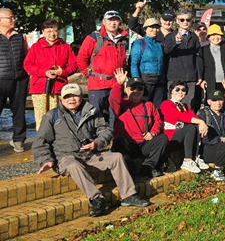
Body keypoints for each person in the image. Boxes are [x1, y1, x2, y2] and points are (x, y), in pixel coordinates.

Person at [32, 83, 150, 217]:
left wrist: (97, 142)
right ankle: (96, 199)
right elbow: (40, 142)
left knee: (116, 157)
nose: (71, 99)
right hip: (65, 158)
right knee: (73, 165)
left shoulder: (91, 111)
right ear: (61, 99)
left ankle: (129, 195)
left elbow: (105, 130)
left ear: (81, 96)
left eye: (75, 96)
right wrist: (46, 160)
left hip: (89, 155)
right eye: (67, 97)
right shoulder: (51, 116)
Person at [108, 70, 168, 178]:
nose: (136, 91)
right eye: (133, 88)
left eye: (140, 88)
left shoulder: (149, 105)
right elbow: (113, 100)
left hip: (143, 144)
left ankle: (148, 167)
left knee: (162, 138)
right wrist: (119, 84)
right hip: (127, 145)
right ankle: (130, 170)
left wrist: (153, 133)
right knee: (119, 142)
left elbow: (158, 121)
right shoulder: (121, 104)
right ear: (126, 90)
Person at [24, 18, 77, 132]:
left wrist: (62, 72)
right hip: (39, 87)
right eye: (48, 31)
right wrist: (43, 72)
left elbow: (74, 64)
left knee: (57, 117)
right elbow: (27, 64)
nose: (52, 34)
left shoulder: (65, 46)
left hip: (59, 86)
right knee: (41, 117)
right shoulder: (36, 47)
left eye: (55, 31)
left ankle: (57, 139)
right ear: (43, 32)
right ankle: (41, 139)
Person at [76, 10, 129, 119]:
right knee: (95, 116)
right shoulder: (93, 38)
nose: (113, 23)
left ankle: (113, 131)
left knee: (116, 115)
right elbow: (81, 58)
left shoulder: (123, 40)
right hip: (98, 85)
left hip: (116, 83)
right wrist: (89, 73)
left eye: (116, 20)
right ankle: (95, 131)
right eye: (110, 20)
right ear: (104, 22)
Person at [160, 82, 210, 174]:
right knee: (191, 127)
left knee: (196, 126)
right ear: (171, 91)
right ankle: (187, 160)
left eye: (183, 90)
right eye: (177, 89)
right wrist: (200, 122)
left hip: (183, 137)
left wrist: (201, 124)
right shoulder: (166, 103)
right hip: (171, 138)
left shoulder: (185, 106)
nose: (180, 92)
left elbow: (193, 117)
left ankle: (196, 157)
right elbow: (178, 116)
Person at [197, 88, 225, 181]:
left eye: (220, 100)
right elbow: (204, 138)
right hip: (209, 149)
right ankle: (217, 169)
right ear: (209, 102)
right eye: (214, 100)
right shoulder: (203, 114)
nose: (218, 103)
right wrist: (221, 139)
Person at [163, 11, 203, 111]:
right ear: (177, 21)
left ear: (191, 22)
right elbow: (167, 51)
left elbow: (198, 57)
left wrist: (199, 75)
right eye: (182, 20)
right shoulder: (170, 36)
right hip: (174, 76)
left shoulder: (194, 37)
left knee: (188, 106)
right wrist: (176, 42)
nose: (185, 22)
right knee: (173, 106)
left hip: (190, 77)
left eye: (188, 20)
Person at [1, 8, 28, 152]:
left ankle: (18, 140)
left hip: (19, 79)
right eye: (10, 18)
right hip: (1, 79)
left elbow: (27, 56)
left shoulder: (20, 37)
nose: (14, 20)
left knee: (19, 110)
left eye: (13, 17)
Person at [129, 18, 167, 108]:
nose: (155, 30)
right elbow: (134, 64)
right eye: (152, 27)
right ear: (145, 29)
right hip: (145, 81)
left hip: (160, 81)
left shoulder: (160, 44)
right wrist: (136, 80)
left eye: (157, 28)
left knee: (158, 108)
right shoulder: (139, 43)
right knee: (144, 106)